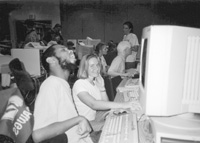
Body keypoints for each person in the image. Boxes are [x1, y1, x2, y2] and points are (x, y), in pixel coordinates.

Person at [32, 44, 93, 143]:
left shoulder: (62, 84)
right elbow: (37, 135)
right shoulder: (51, 85)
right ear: (51, 60)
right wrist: (79, 119)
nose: (71, 51)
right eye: (64, 50)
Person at [72, 54, 141, 123]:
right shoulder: (79, 84)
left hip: (95, 119)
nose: (96, 68)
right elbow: (93, 104)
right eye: (92, 66)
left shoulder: (95, 82)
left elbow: (106, 104)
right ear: (84, 68)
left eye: (97, 65)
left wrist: (102, 89)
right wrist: (124, 105)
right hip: (87, 123)